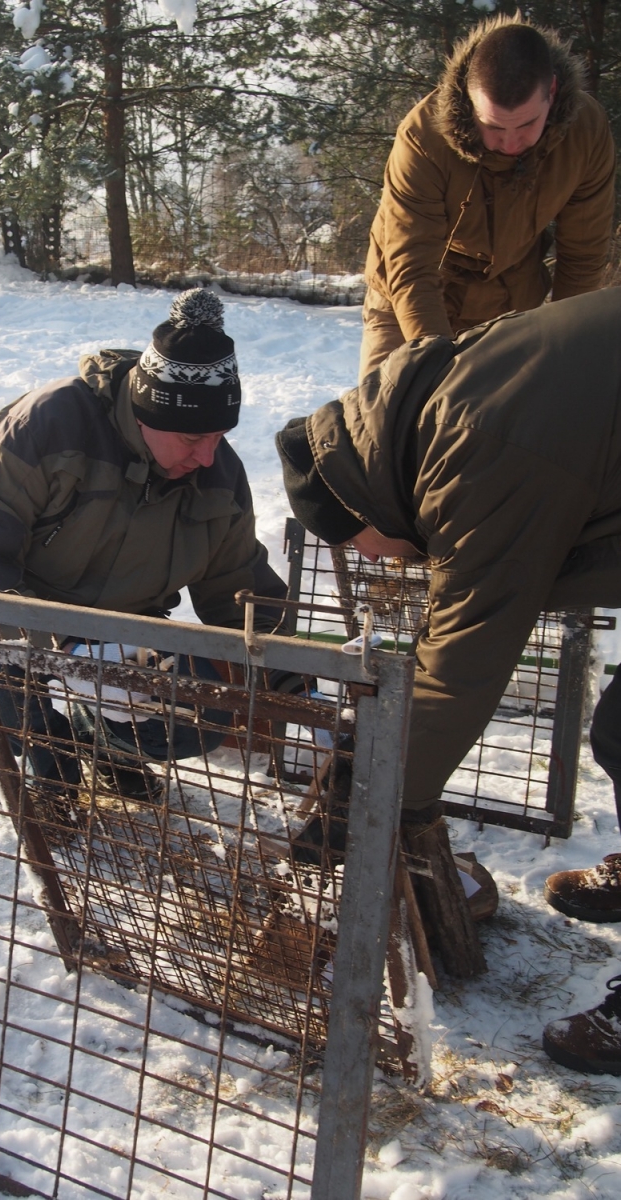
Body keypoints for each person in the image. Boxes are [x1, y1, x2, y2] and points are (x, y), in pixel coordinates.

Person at [275, 286, 621, 1073]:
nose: (367, 556)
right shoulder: (447, 397)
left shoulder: (474, 445)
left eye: (354, 540)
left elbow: (463, 662)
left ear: (362, 496)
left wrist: (364, 796)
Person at [0, 288, 290, 804]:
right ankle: (51, 756)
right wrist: (68, 655)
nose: (207, 455)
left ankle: (108, 747)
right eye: (193, 440)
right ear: (145, 414)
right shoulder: (49, 426)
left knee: (202, 717)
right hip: (26, 633)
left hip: (131, 643)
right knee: (5, 708)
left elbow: (240, 590)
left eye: (218, 435)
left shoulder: (218, 472)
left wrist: (297, 679)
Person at [359, 16, 615, 381]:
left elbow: (583, 256)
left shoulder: (585, 133)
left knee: (503, 428)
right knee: (391, 420)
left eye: (527, 125)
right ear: (468, 96)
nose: (510, 144)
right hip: (411, 299)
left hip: (512, 302)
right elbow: (413, 266)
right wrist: (434, 370)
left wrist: (566, 347)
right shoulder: (422, 136)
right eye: (493, 127)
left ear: (552, 92)